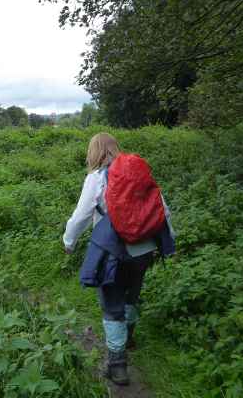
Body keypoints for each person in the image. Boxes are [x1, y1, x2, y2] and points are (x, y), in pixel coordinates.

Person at [62, 132, 175, 386]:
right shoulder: (138, 172)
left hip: (112, 251)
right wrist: (168, 239)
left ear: (95, 151)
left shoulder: (96, 178)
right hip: (144, 249)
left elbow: (81, 215)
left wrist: (68, 242)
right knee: (131, 295)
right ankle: (129, 338)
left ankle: (117, 365)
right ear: (115, 148)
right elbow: (161, 207)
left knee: (112, 305)